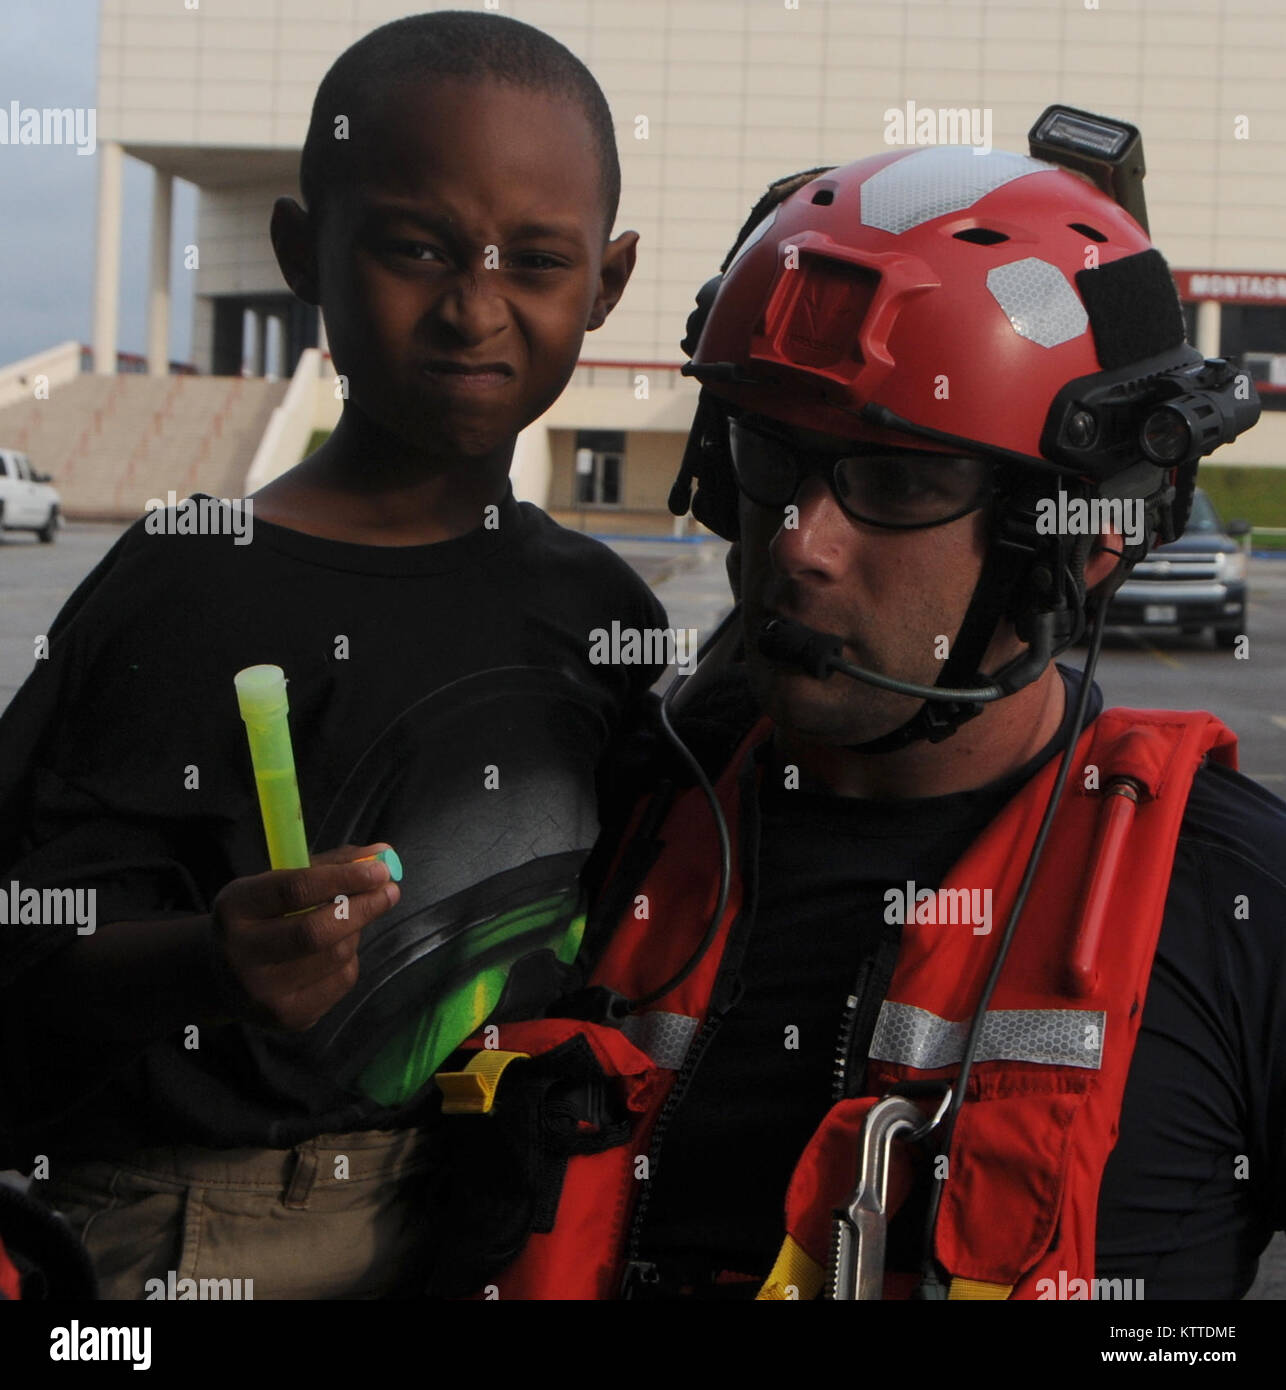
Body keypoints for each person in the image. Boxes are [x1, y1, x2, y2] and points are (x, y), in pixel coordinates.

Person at [433, 136, 1284, 1301]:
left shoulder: (1238, 908)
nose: (796, 544)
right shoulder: (603, 809)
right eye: (772, 455)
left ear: (1071, 538)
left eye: (893, 483)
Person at [0, 10, 666, 1299]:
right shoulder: (191, 579)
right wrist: (212, 959)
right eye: (414, 248)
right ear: (304, 251)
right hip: (208, 1235)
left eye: (535, 260)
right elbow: (28, 935)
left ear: (608, 282)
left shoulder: (600, 609)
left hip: (501, 1217)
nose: (474, 307)